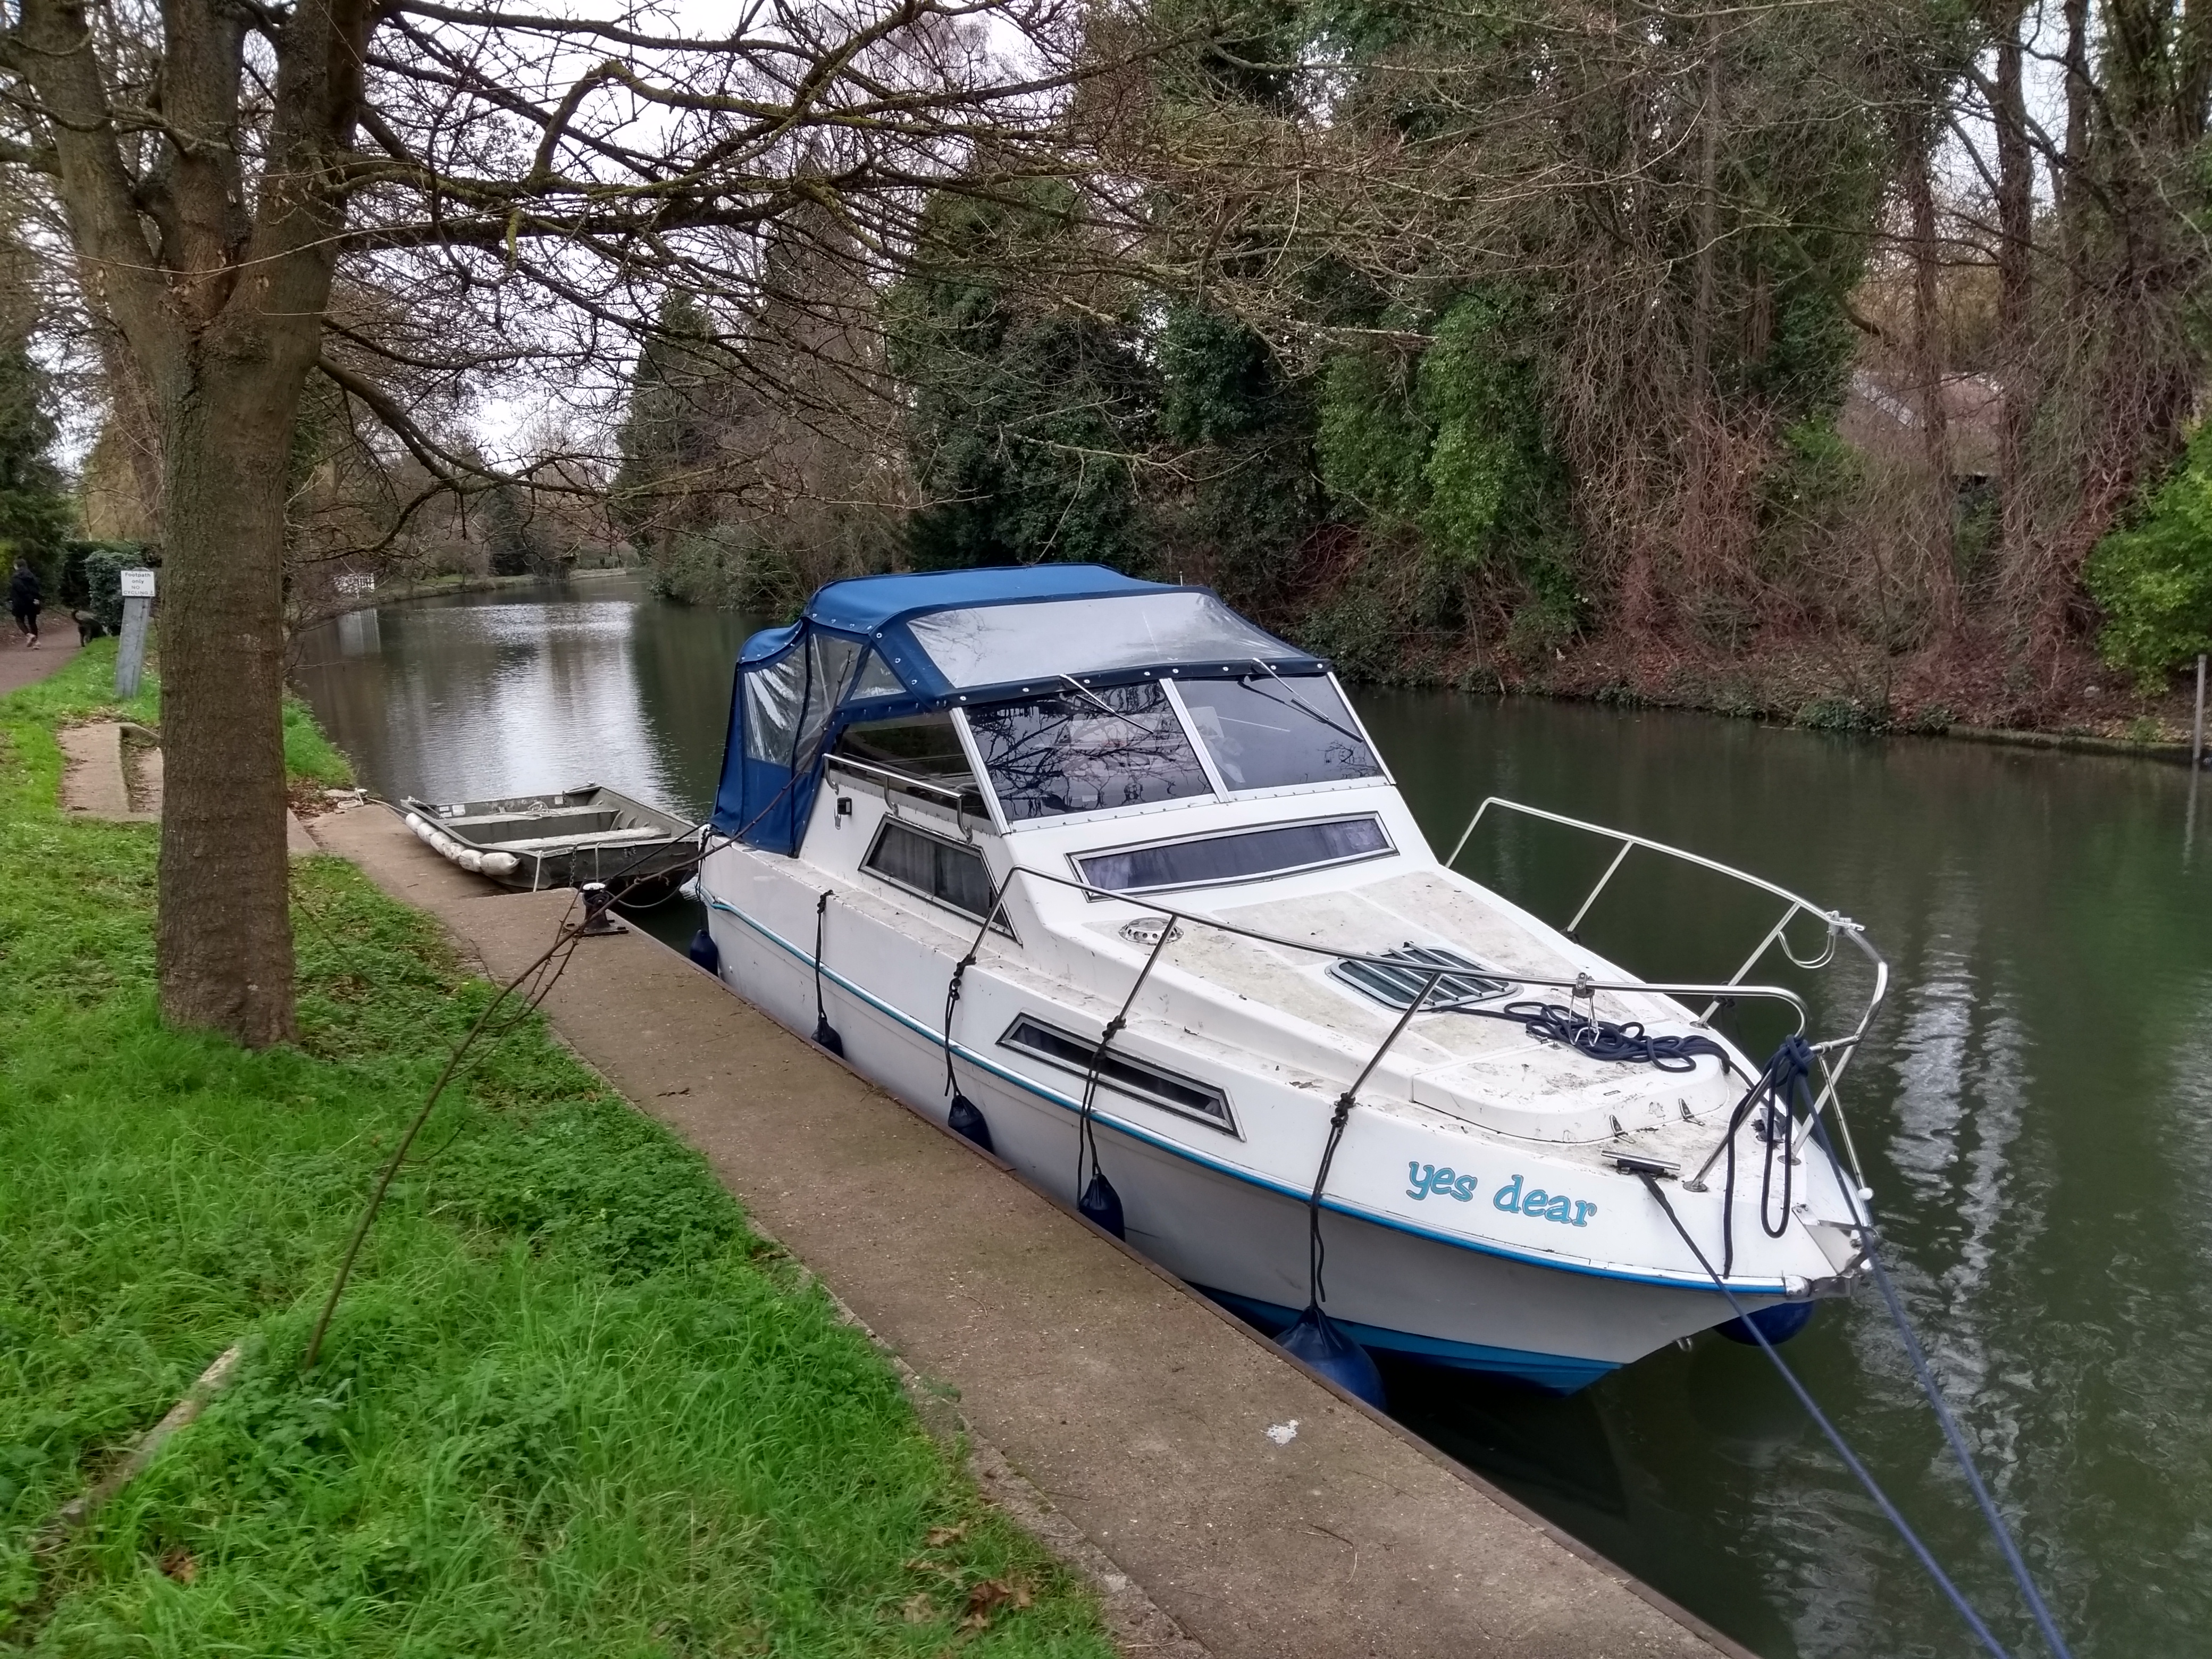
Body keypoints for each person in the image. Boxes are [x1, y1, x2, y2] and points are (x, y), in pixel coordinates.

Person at [7, 559, 40, 649]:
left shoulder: (16, 577)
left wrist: (11, 599)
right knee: (32, 622)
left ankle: (29, 635)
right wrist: (36, 599)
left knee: (19, 620)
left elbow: (19, 590)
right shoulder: (32, 576)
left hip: (20, 603)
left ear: (16, 566)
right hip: (33, 602)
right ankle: (36, 642)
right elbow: (37, 589)